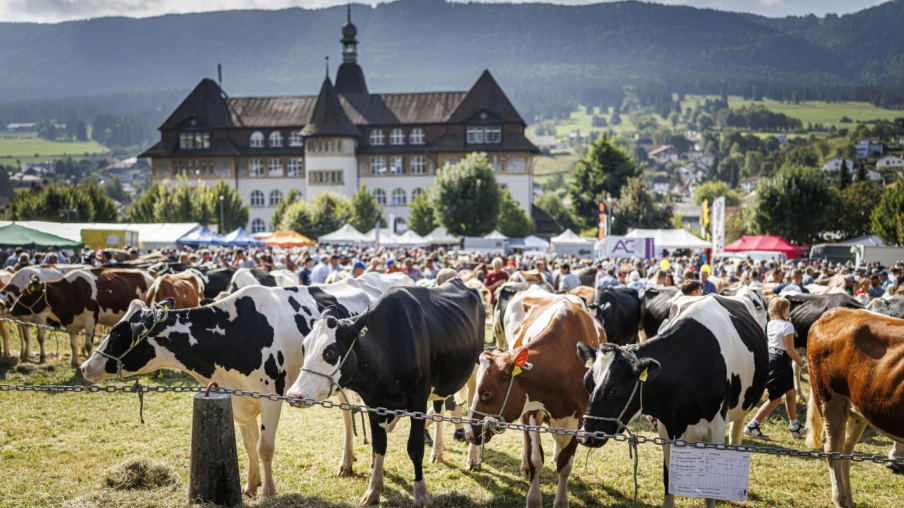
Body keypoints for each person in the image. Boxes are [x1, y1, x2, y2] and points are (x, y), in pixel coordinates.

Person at [744, 297, 806, 440]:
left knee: (791, 393)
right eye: (788, 308)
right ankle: (752, 425)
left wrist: (790, 327)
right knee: (775, 399)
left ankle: (794, 426)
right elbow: (790, 350)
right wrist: (803, 365)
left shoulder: (771, 324)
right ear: (784, 309)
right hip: (783, 362)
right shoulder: (787, 326)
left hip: (772, 359)